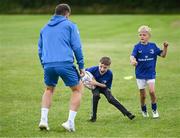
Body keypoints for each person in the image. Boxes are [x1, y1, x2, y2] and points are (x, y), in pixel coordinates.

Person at [38, 3, 85, 132]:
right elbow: (77, 47)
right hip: (65, 63)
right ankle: (70, 122)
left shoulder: (44, 28)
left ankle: (43, 120)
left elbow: (40, 51)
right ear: (67, 14)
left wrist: (45, 65)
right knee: (78, 89)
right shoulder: (70, 25)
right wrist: (81, 66)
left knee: (49, 89)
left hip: (48, 64)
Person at [130, 25, 168, 118]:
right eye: (140, 35)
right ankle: (143, 109)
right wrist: (133, 61)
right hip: (140, 74)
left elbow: (163, 55)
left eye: (144, 35)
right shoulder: (137, 47)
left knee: (151, 91)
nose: (142, 36)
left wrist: (165, 47)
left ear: (149, 36)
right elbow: (132, 56)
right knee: (143, 96)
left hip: (150, 73)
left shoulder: (153, 46)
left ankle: (154, 110)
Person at [85, 57, 135, 122]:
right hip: (95, 87)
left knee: (111, 99)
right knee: (96, 96)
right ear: (99, 64)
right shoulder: (93, 69)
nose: (102, 69)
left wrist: (95, 82)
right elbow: (84, 73)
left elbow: (105, 86)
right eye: (101, 66)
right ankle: (93, 117)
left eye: (105, 67)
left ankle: (128, 113)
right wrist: (84, 81)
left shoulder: (109, 74)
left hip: (104, 87)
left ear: (109, 67)